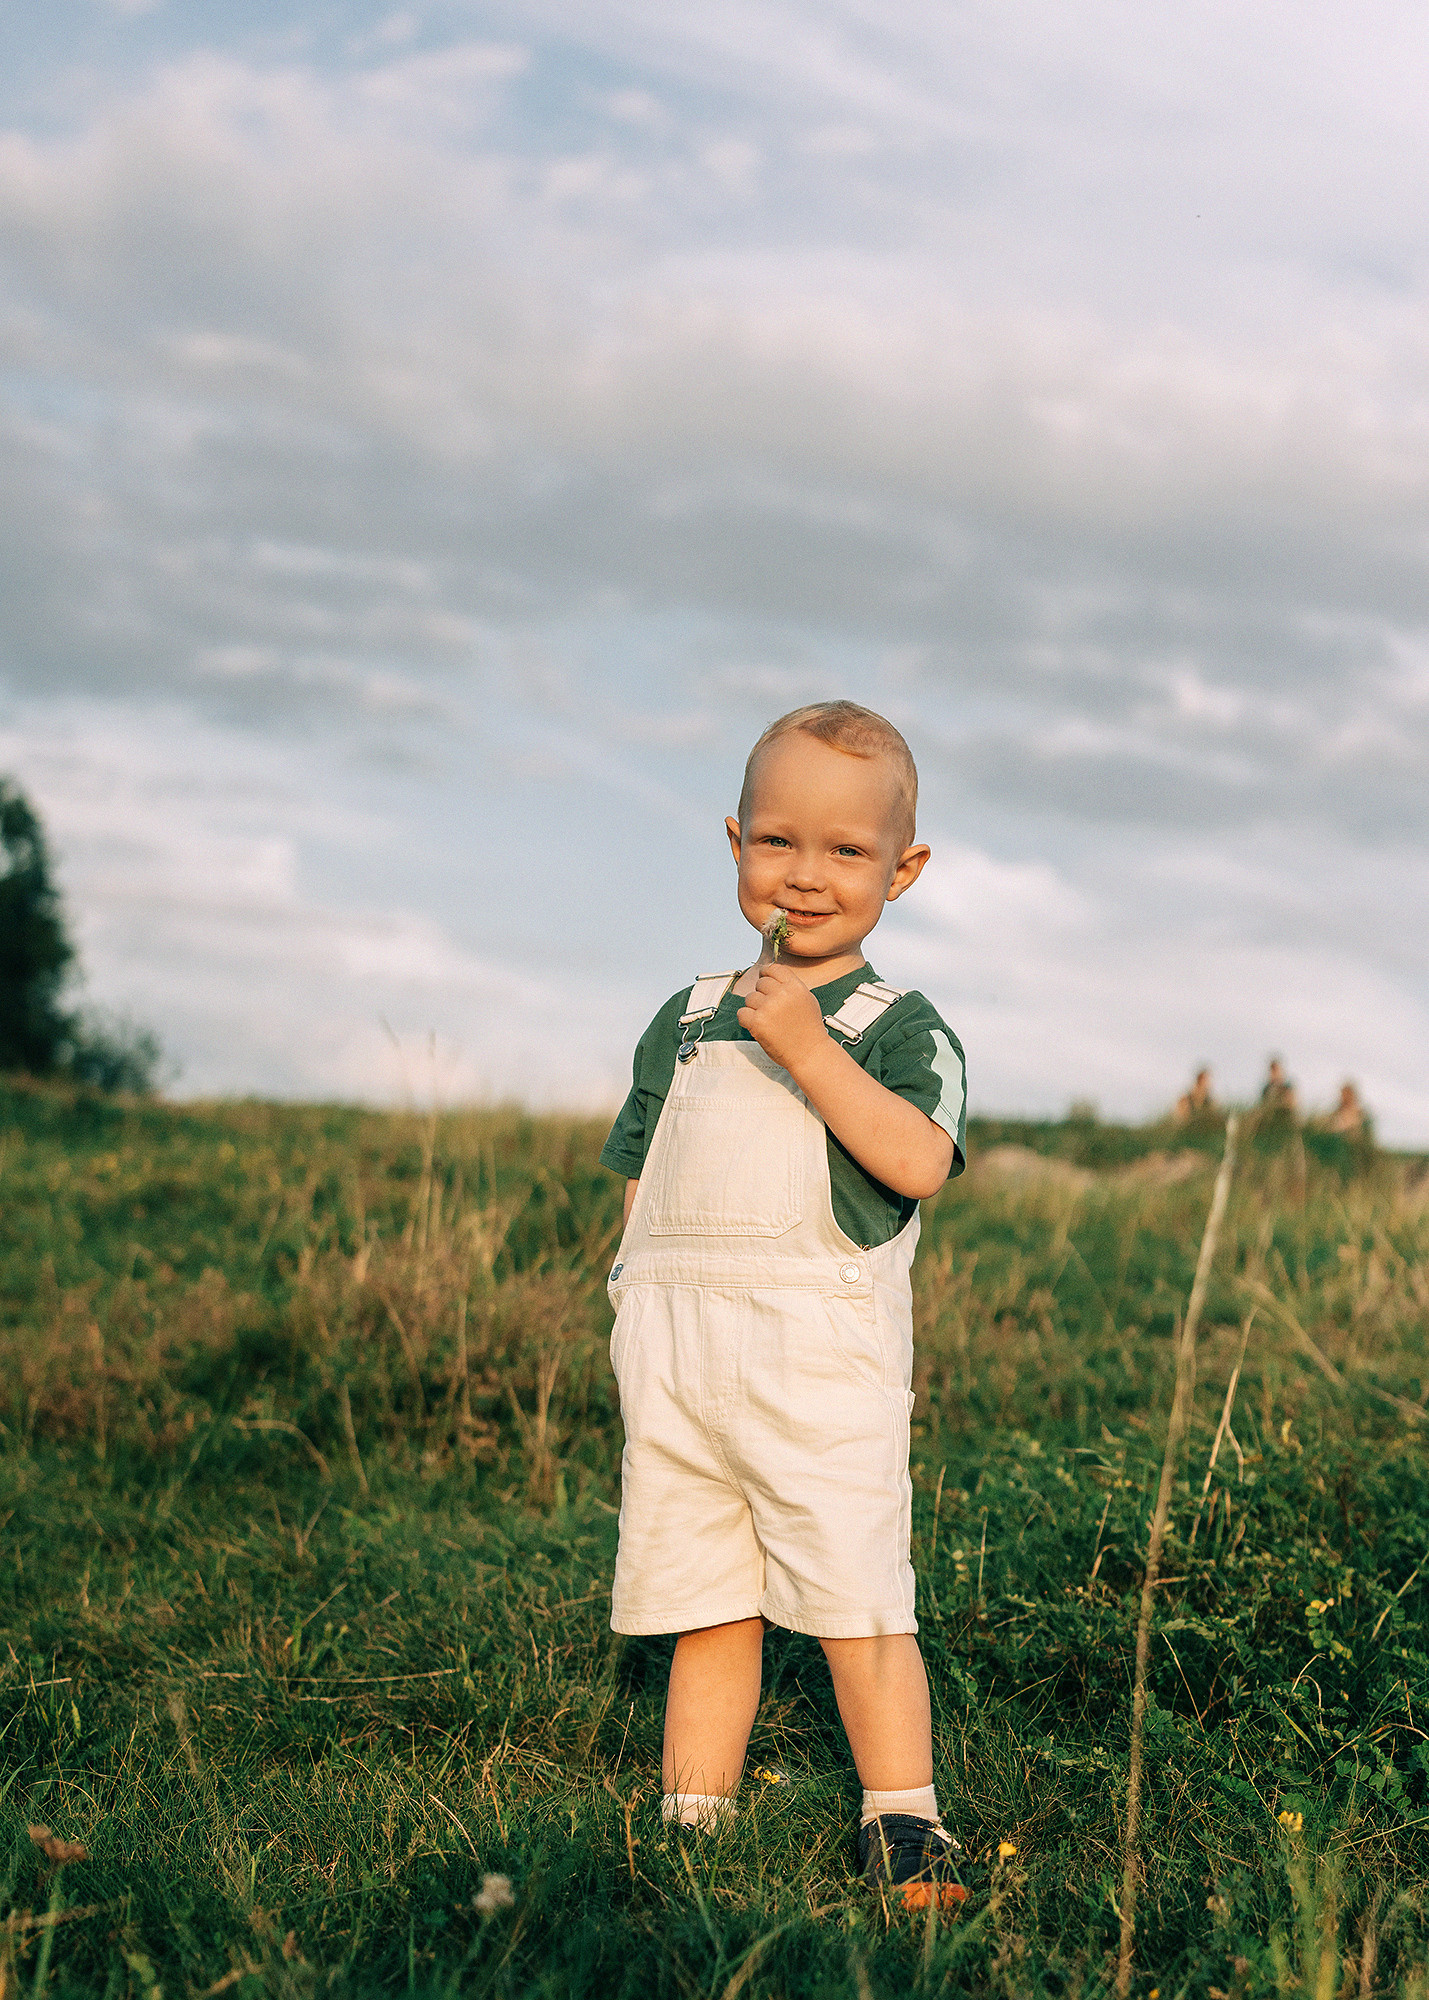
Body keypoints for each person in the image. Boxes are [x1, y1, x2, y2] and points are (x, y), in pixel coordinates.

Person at [600, 701, 969, 1911]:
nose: (805, 876)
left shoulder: (896, 1027)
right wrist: (627, 1301)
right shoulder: (690, 1013)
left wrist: (809, 1051)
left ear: (901, 869)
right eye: (777, 841)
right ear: (735, 844)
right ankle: (690, 1821)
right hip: (680, 1350)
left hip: (814, 1355)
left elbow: (915, 1163)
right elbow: (649, 1176)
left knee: (858, 1592)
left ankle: (901, 1819)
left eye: (847, 851)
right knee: (705, 1593)